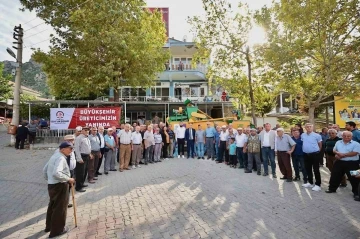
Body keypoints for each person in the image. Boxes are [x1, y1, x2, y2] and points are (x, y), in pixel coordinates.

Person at [43, 142, 75, 238]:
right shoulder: (61, 158)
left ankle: (49, 226)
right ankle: (57, 230)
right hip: (59, 185)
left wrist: (49, 180)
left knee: (52, 206)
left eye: (72, 148)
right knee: (60, 208)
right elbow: (57, 173)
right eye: (69, 148)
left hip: (52, 185)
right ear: (62, 149)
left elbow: (45, 170)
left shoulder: (55, 156)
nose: (71, 150)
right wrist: (68, 179)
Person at [326, 131, 360, 198]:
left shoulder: (356, 144)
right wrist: (338, 154)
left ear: (351, 137)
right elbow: (334, 150)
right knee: (334, 175)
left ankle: (356, 193)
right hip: (339, 161)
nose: (346, 137)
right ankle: (332, 189)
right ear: (342, 136)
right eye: (344, 136)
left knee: (354, 178)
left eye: (348, 136)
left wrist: (343, 155)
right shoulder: (338, 142)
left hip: (352, 163)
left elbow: (355, 153)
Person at [301, 123, 322, 192]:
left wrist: (318, 151)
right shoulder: (303, 135)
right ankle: (310, 182)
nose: (309, 128)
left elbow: (320, 144)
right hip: (305, 154)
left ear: (312, 128)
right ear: (305, 128)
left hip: (314, 154)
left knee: (316, 170)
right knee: (308, 169)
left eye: (310, 127)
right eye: (307, 127)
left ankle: (318, 185)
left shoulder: (317, 135)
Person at [74, 126, 91, 192]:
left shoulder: (86, 137)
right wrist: (79, 158)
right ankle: (78, 187)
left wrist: (89, 154)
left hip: (86, 156)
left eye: (88, 130)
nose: (87, 131)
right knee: (80, 173)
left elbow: (88, 147)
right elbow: (77, 149)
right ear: (82, 131)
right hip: (81, 157)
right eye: (85, 130)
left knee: (85, 171)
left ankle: (82, 183)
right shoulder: (79, 138)